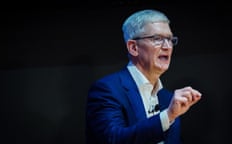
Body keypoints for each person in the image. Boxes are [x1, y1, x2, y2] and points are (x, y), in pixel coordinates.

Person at [85, 9, 202, 144]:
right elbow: (113, 139)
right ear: (133, 47)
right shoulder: (107, 90)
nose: (167, 46)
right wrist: (167, 116)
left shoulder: (167, 98)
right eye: (157, 39)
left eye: (170, 39)